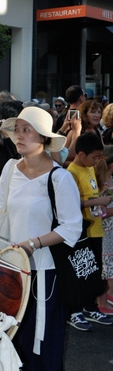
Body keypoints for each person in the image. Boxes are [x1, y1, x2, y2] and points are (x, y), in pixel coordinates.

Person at [0, 107, 82, 371]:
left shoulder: (60, 177)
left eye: (27, 130)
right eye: (17, 129)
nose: (19, 136)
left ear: (44, 138)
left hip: (45, 269)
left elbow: (71, 228)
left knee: (44, 333)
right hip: (11, 267)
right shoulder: (10, 168)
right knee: (12, 332)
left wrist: (33, 243)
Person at [66, 132, 113, 330]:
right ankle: (74, 311)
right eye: (94, 157)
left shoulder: (89, 168)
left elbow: (91, 195)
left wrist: (99, 202)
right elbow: (70, 203)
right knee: (80, 272)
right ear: (81, 154)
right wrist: (98, 201)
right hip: (82, 231)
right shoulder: (71, 172)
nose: (96, 161)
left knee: (93, 272)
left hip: (96, 228)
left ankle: (90, 306)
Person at [94, 145, 113, 312]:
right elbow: (99, 212)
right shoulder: (102, 185)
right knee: (106, 265)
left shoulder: (108, 181)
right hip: (105, 231)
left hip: (109, 231)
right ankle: (104, 299)